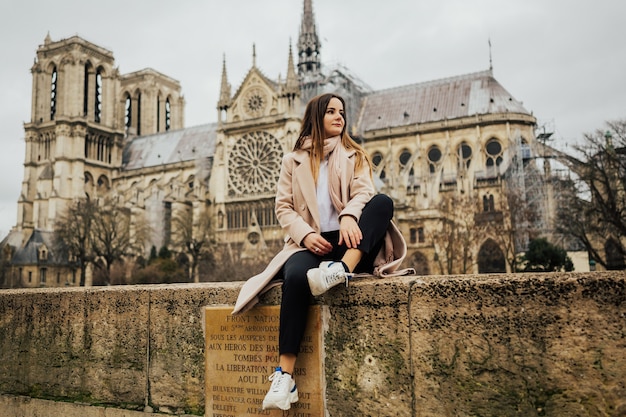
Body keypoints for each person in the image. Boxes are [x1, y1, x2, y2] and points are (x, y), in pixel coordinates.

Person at [231, 93, 411, 411]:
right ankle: (285, 377)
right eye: (331, 111)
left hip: (351, 241)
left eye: (342, 111)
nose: (339, 116)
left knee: (382, 203)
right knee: (296, 277)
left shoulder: (355, 156)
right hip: (312, 243)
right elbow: (283, 207)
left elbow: (364, 192)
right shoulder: (292, 161)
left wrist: (349, 216)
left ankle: (341, 270)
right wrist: (307, 234)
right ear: (316, 116)